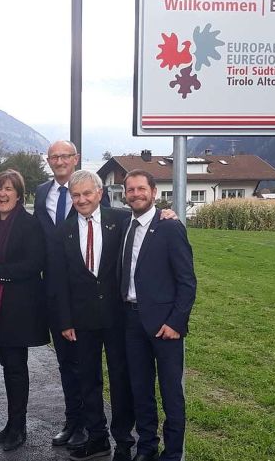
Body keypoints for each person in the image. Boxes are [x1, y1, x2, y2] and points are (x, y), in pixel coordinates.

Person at [52, 170, 136, 461]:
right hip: (81, 320)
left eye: (87, 193)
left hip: (117, 317)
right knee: (87, 380)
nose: (82, 199)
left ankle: (124, 441)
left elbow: (150, 223)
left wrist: (168, 215)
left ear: (100, 193)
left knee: (120, 379)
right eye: (76, 195)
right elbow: (58, 279)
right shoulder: (64, 231)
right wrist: (64, 320)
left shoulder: (122, 221)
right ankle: (97, 437)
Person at [34, 140, 108, 448]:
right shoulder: (41, 193)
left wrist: (165, 214)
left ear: (75, 158)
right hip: (55, 289)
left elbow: (123, 218)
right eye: (54, 157)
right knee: (66, 362)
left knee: (87, 364)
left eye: (66, 155)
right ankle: (73, 420)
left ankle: (93, 426)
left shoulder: (90, 189)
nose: (60, 161)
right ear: (48, 161)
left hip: (88, 294)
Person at [120, 170, 197, 461]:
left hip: (165, 326)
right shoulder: (125, 224)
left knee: (171, 395)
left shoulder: (169, 226)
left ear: (153, 192)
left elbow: (187, 281)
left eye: (141, 188)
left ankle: (173, 454)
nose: (136, 194)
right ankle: (147, 447)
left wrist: (176, 322)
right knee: (140, 391)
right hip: (131, 322)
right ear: (125, 194)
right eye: (131, 190)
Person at [0, 170, 50, 452]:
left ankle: (19, 427)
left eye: (8, 189)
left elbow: (34, 264)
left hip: (19, 308)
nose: (2, 194)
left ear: (19, 194)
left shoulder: (29, 225)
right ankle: (11, 422)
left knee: (17, 368)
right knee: (8, 367)